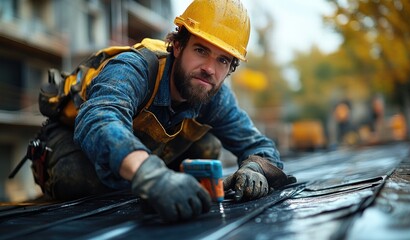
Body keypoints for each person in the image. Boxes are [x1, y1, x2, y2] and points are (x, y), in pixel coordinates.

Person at [32, 0, 296, 222]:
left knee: (207, 150)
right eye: (201, 50)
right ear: (178, 46)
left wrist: (255, 169)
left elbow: (259, 146)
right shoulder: (134, 68)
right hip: (74, 142)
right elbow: (100, 119)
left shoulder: (214, 95)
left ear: (230, 69)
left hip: (150, 155)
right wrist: (150, 174)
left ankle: (170, 187)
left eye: (223, 60)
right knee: (76, 177)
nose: (210, 68)